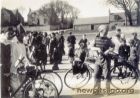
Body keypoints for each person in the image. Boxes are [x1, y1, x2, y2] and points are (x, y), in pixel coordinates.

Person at [93, 25, 115, 93]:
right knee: (96, 75)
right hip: (98, 59)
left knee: (107, 76)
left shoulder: (108, 39)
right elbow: (90, 47)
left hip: (106, 59)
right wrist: (97, 49)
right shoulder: (96, 38)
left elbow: (113, 46)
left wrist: (108, 50)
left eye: (107, 31)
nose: (107, 32)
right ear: (101, 31)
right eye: (106, 30)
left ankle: (108, 91)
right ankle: (97, 90)